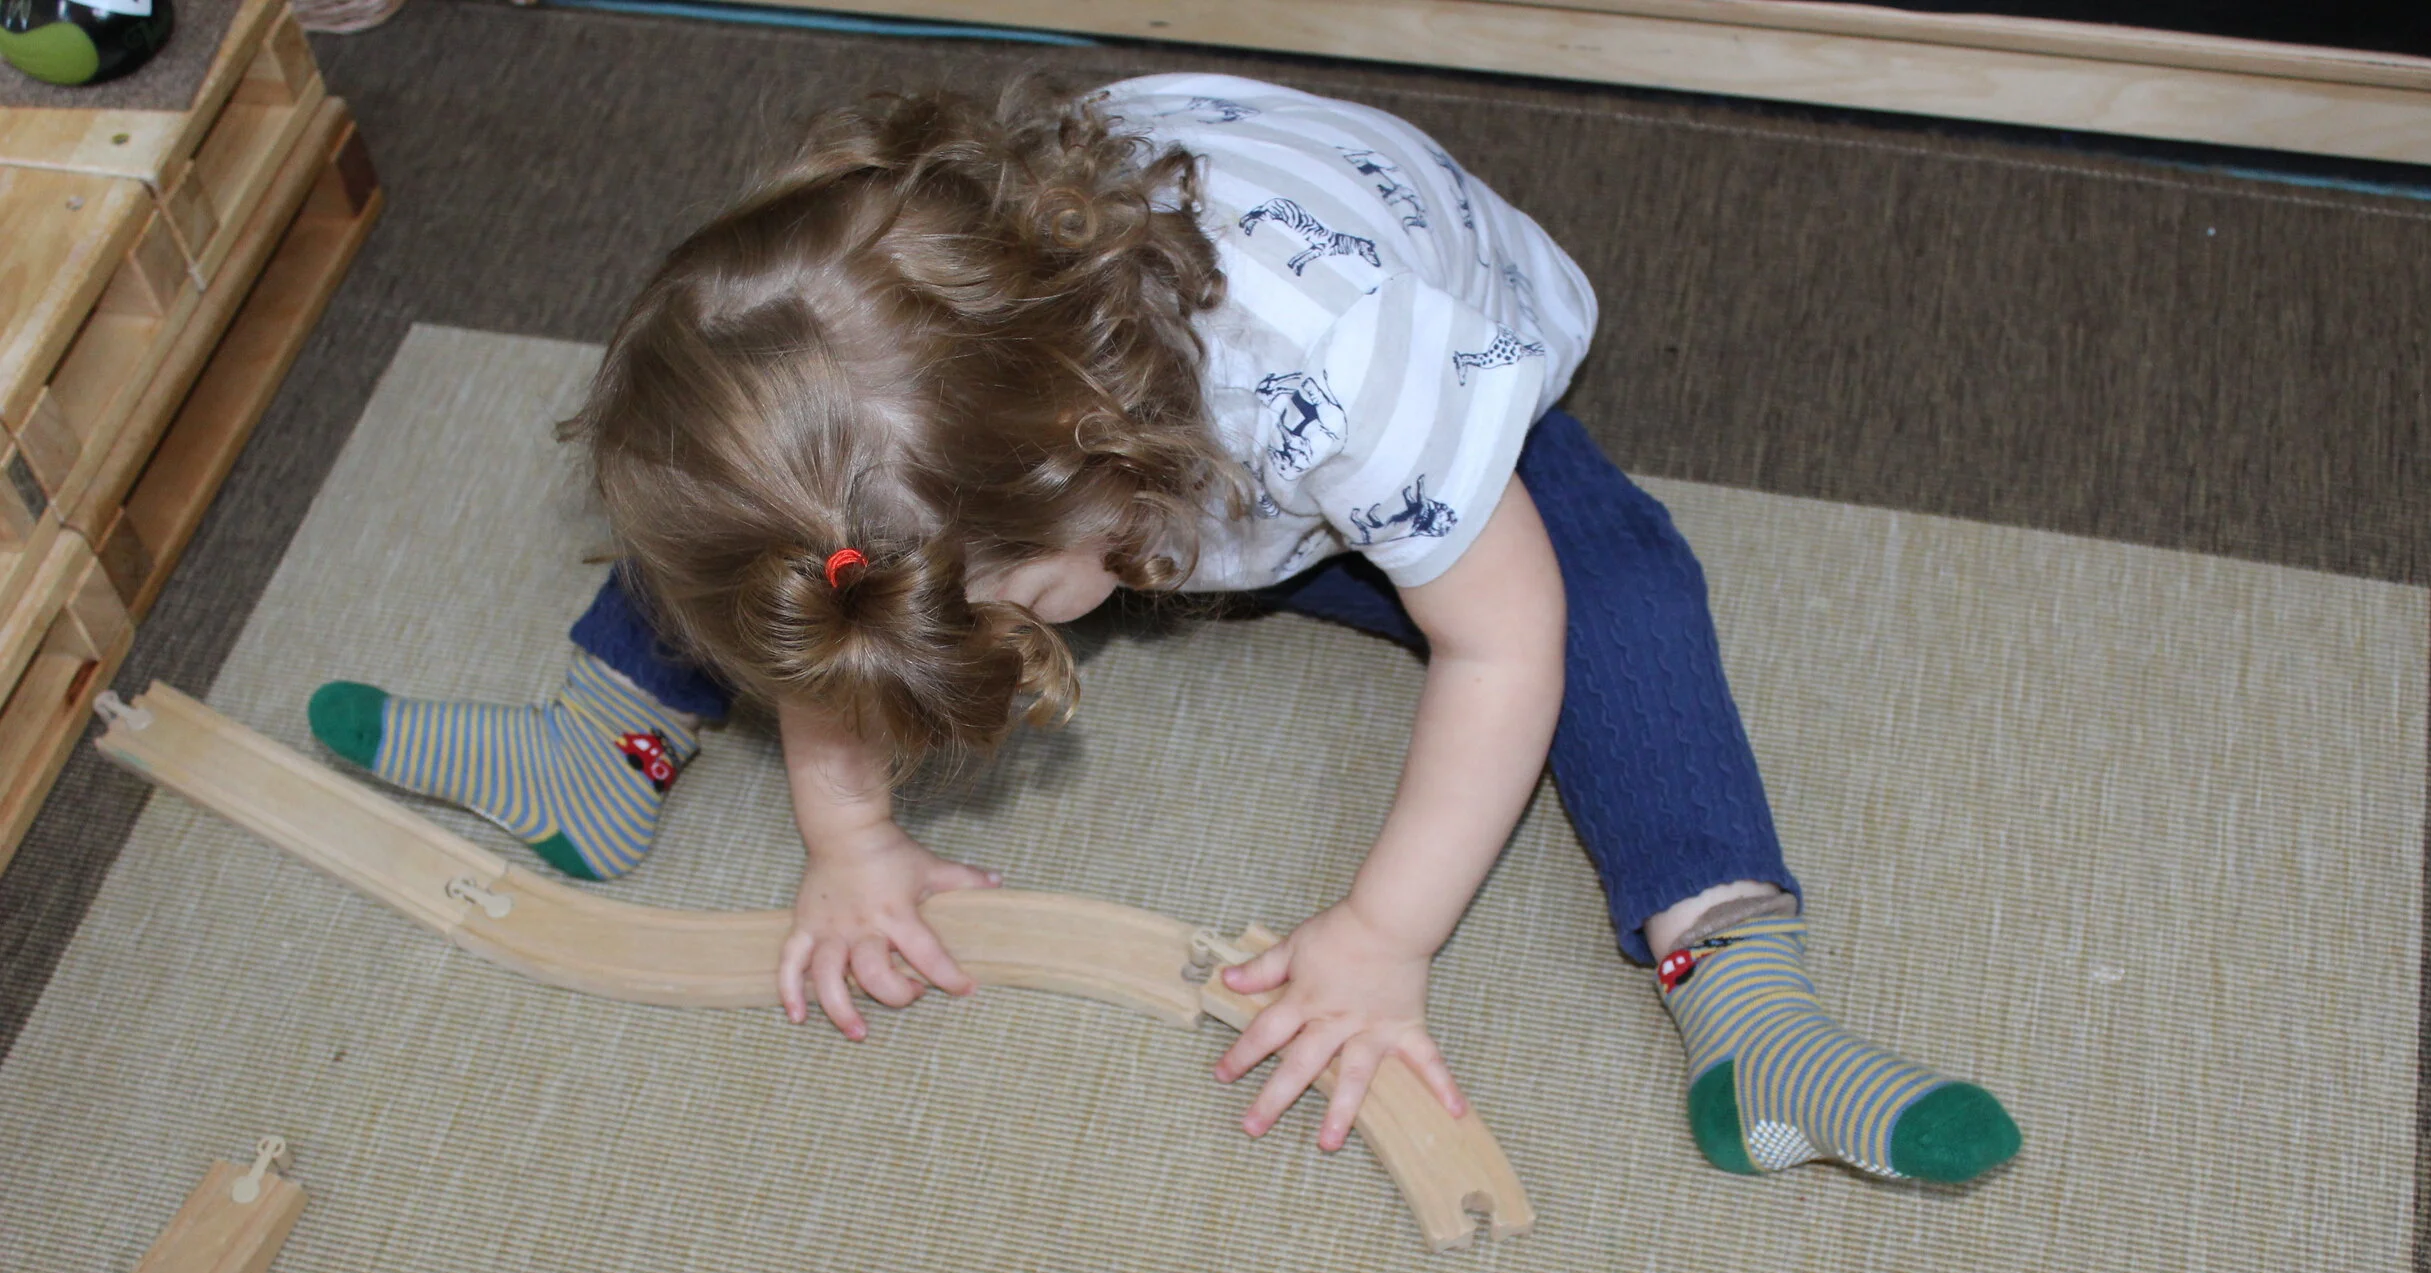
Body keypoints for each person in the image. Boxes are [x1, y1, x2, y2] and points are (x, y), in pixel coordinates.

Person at [306, 74, 2020, 1184]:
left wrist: (1380, 930)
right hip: (1046, 463)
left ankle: (1742, 986)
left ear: (1090, 479)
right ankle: (599, 743)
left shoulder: (1355, 386)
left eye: (1003, 613)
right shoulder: (950, 460)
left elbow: (1502, 648)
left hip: (1362, 412)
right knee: (757, 510)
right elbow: (847, 583)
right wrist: (846, 834)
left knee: (1618, 589)